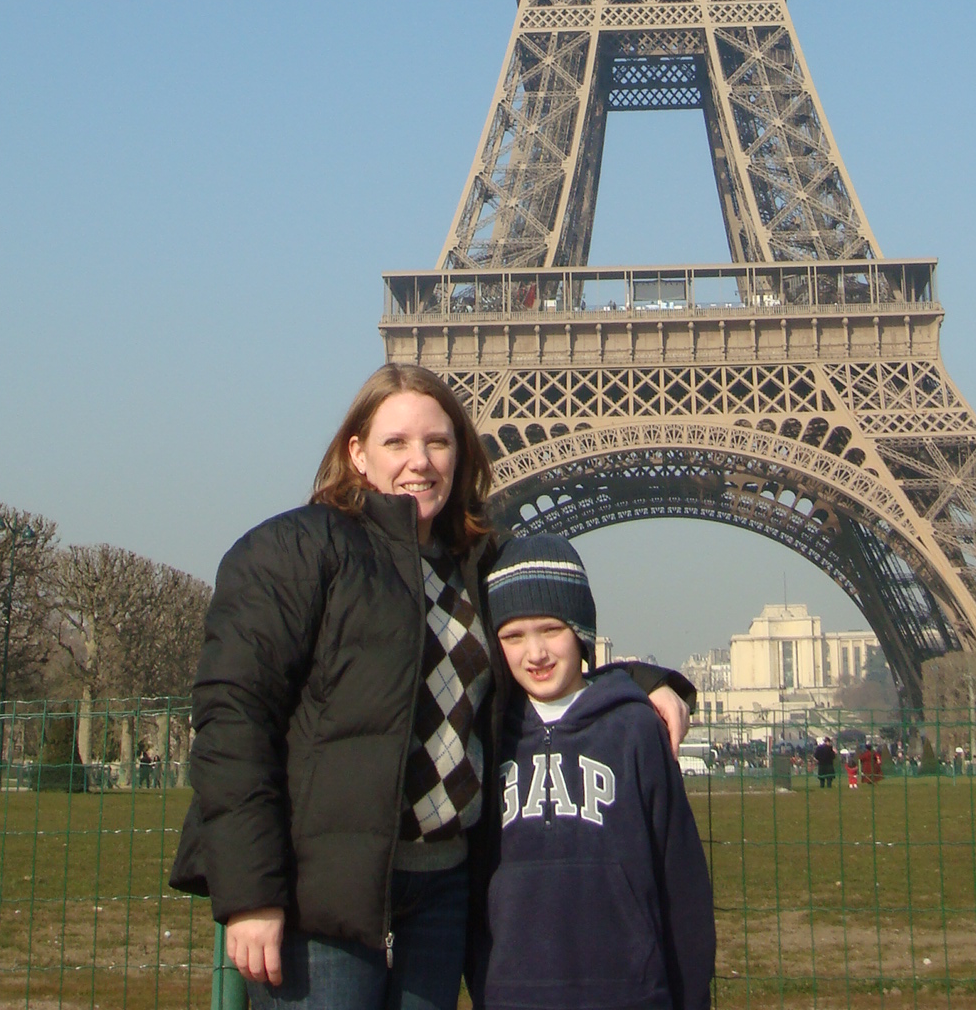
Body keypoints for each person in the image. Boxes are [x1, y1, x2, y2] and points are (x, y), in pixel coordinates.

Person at [169, 363, 694, 1010]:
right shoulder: (296, 550)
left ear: (461, 453)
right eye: (396, 443)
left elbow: (547, 650)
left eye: (438, 442)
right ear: (357, 452)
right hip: (323, 891)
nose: (419, 461)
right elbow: (232, 719)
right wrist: (251, 894)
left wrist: (640, 683)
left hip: (442, 888)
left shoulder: (480, 568)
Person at [468, 535, 715, 1010]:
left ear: (581, 632)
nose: (535, 652)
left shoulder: (636, 727)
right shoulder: (488, 734)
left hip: (629, 992)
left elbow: (681, 883)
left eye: (551, 630)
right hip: (513, 994)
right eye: (513, 636)